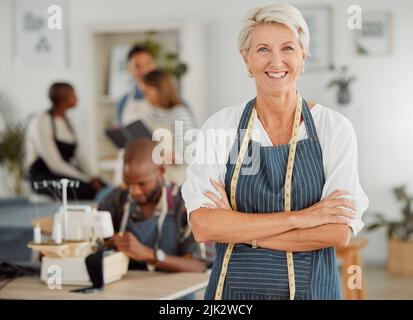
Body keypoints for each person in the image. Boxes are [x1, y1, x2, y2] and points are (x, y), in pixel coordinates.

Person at [182, 4, 369, 300]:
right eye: (263, 50)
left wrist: (237, 227)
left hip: (313, 290)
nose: (276, 61)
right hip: (231, 295)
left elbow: (337, 232)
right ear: (247, 58)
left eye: (288, 49)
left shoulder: (333, 128)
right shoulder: (220, 127)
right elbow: (204, 226)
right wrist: (302, 218)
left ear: (303, 56)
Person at [98, 138, 206, 272]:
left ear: (161, 171)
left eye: (142, 184)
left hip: (176, 290)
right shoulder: (114, 200)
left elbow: (198, 265)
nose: (134, 191)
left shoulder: (185, 204)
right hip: (127, 289)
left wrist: (148, 255)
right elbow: (96, 248)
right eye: (128, 183)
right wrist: (110, 244)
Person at [26, 82, 105, 200]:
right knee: (88, 189)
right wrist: (86, 179)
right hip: (44, 177)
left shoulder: (68, 121)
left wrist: (94, 176)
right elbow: (55, 164)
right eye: (74, 95)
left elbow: (80, 155)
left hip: (65, 174)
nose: (77, 98)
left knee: (104, 186)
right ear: (63, 99)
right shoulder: (41, 122)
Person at [142, 69, 196, 168]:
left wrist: (158, 153)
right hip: (159, 176)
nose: (145, 97)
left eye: (147, 92)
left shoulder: (180, 114)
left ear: (160, 90)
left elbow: (189, 157)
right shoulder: (152, 113)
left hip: (177, 179)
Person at [116, 45, 157, 126]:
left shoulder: (173, 99)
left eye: (147, 63)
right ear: (129, 69)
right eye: (137, 66)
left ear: (155, 65)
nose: (144, 70)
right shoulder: (122, 102)